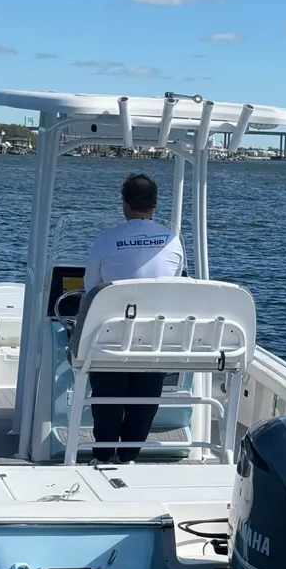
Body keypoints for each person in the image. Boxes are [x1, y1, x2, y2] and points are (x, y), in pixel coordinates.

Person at [83, 173, 184, 464]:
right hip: (155, 339)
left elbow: (91, 289)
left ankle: (103, 456)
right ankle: (128, 456)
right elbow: (173, 284)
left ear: (124, 204)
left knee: (107, 394)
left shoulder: (105, 240)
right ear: (154, 205)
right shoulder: (173, 241)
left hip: (110, 339)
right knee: (145, 397)